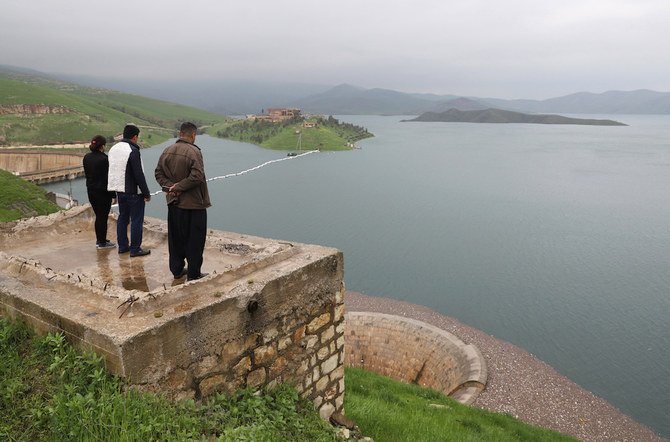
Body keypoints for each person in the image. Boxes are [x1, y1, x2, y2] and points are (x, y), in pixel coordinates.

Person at [155, 122, 211, 280]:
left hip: (173, 203)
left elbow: (158, 173)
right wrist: (179, 187)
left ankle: (177, 270)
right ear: (193, 135)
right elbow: (197, 176)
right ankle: (193, 274)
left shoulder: (167, 150)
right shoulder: (194, 151)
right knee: (195, 240)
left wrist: (171, 188)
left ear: (180, 133)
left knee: (176, 239)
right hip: (193, 205)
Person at [107, 124, 151, 257]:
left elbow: (112, 171)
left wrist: (113, 193)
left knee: (123, 217)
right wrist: (146, 192)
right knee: (136, 220)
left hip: (120, 191)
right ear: (135, 137)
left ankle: (123, 247)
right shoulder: (132, 150)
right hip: (133, 192)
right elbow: (138, 174)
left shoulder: (114, 149)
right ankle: (135, 249)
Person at [83, 135, 116, 249]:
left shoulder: (86, 157)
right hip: (102, 193)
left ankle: (101, 239)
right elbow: (108, 179)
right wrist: (113, 195)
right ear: (102, 146)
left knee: (99, 216)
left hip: (91, 191)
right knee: (102, 217)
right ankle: (101, 242)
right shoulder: (104, 159)